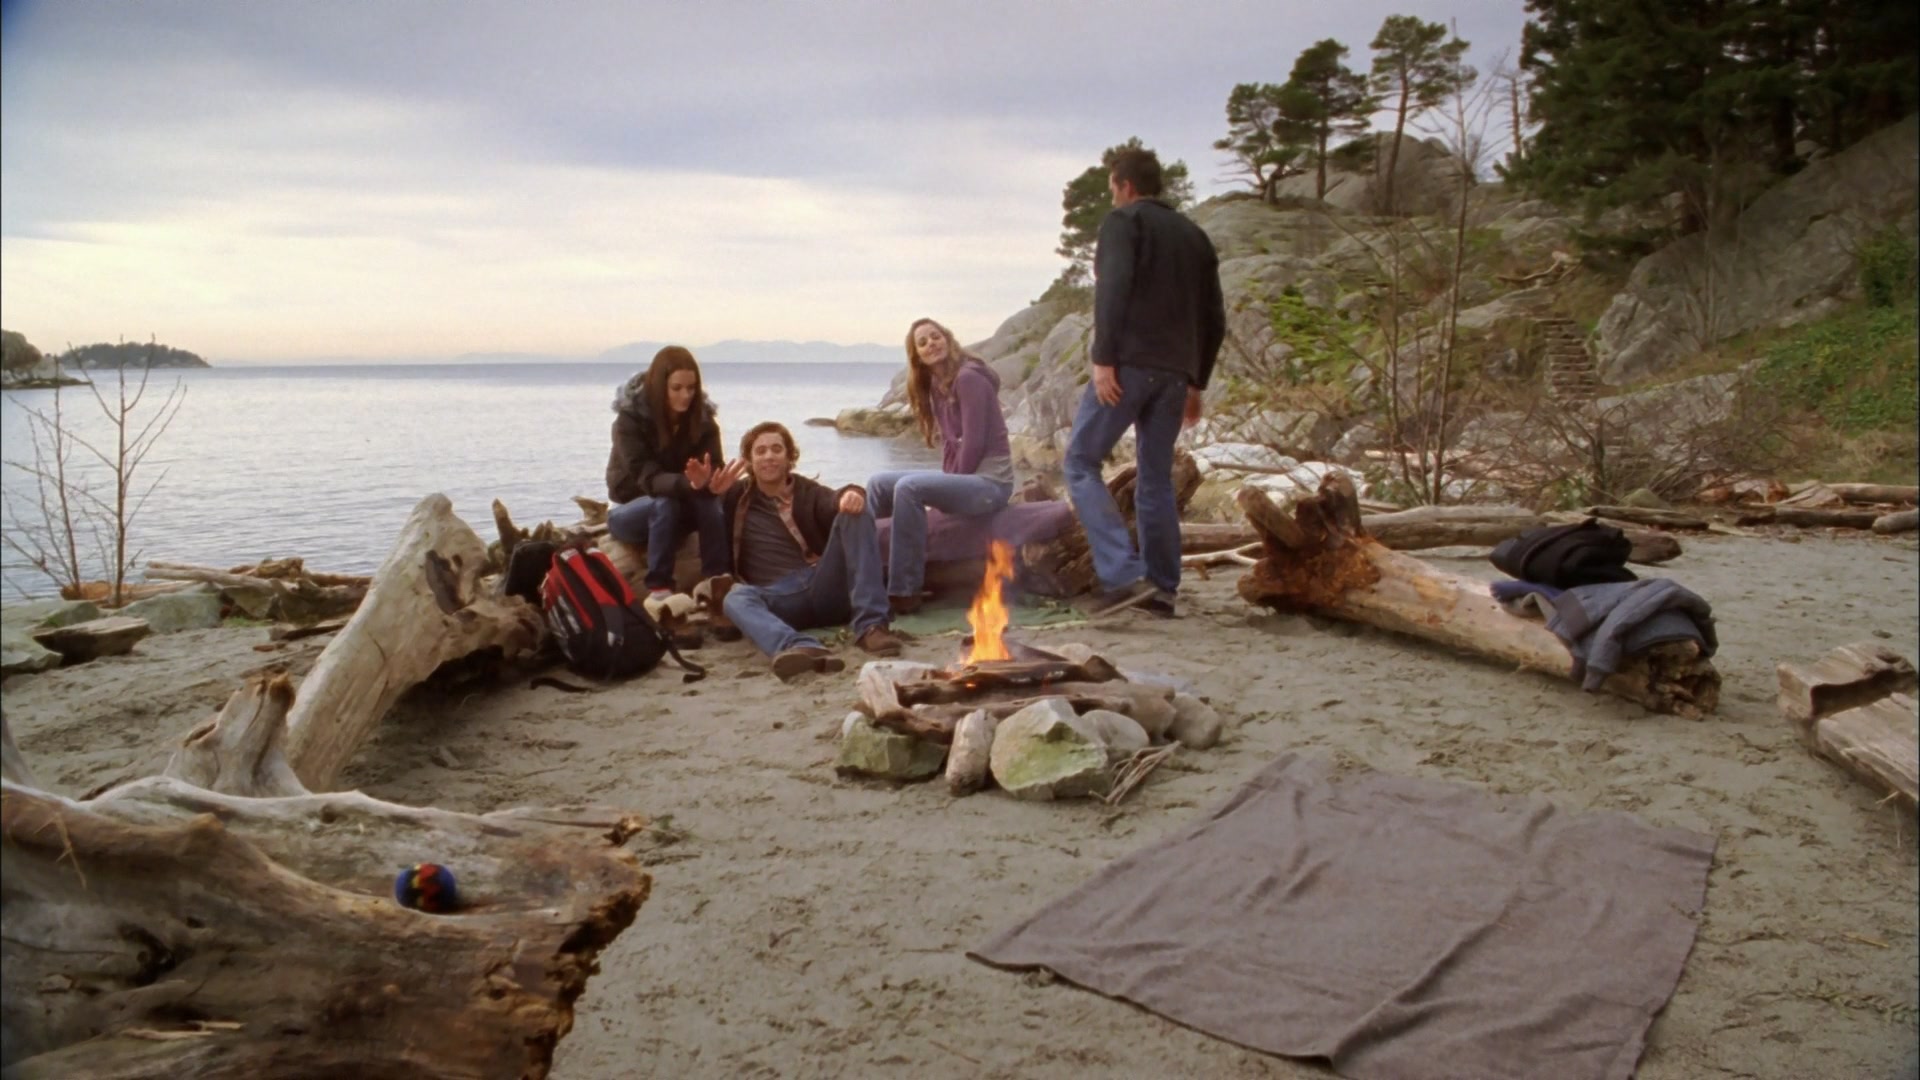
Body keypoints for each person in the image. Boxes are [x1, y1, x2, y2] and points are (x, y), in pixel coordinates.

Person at [1064, 147, 1225, 618]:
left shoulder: (1124, 222)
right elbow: (1214, 316)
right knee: (1155, 478)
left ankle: (1122, 575)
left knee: (1080, 462)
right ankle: (1161, 589)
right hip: (1175, 374)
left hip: (1129, 365)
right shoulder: (1195, 236)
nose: (1113, 197)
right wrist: (1196, 381)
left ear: (1125, 186)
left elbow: (1113, 287)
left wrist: (1103, 359)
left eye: (1112, 188)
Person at [717, 421, 904, 681]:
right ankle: (800, 647)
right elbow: (701, 514)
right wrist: (707, 494)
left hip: (822, 583)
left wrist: (851, 494)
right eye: (760, 451)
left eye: (776, 449)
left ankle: (872, 627)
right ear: (749, 460)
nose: (769, 456)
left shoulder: (807, 491)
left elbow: (834, 498)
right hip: (780, 597)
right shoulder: (735, 496)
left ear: (789, 457)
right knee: (735, 598)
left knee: (856, 513)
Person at [867, 318, 1015, 615]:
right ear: (917, 356)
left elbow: (973, 443)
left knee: (909, 488)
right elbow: (950, 443)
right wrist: (948, 485)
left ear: (947, 338)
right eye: (922, 343)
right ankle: (868, 573)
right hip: (966, 479)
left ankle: (905, 591)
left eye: (935, 337)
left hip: (991, 484)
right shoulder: (937, 385)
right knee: (879, 483)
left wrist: (947, 495)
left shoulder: (969, 378)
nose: (930, 344)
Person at [605, 346, 733, 601]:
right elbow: (648, 478)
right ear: (659, 386)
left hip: (680, 506)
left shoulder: (703, 420)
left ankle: (716, 580)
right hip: (631, 510)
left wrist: (713, 482)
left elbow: (712, 466)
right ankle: (660, 588)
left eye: (691, 388)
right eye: (677, 388)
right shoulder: (629, 421)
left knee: (710, 502)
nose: (686, 395)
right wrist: (690, 484)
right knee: (664, 503)